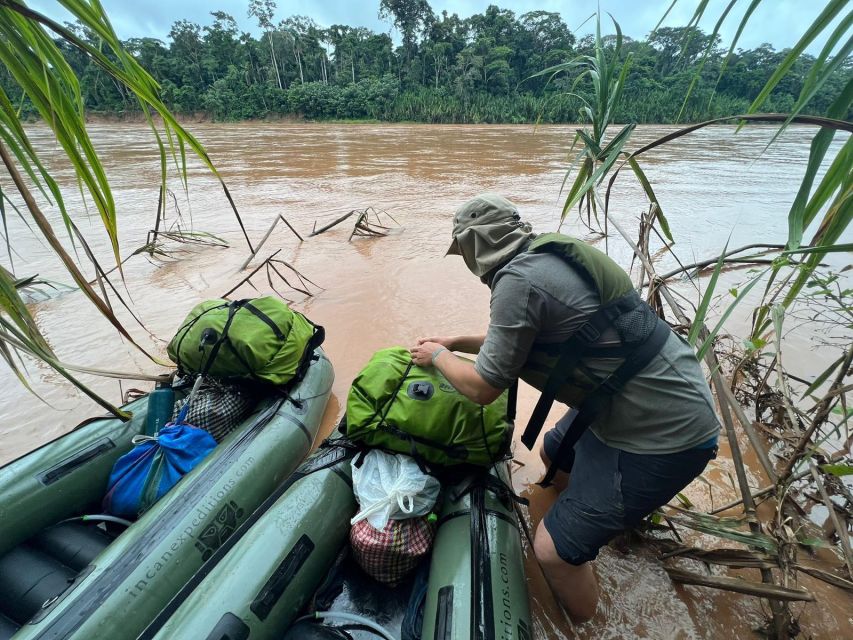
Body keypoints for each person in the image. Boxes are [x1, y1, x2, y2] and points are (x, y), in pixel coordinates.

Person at [410, 193, 720, 624]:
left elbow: (483, 387)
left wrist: (436, 358)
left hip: (663, 434)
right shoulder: (543, 261)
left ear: (474, 246)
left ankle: (585, 621)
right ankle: (589, 530)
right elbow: (521, 339)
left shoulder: (518, 281)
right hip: (649, 397)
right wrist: (455, 343)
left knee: (551, 553)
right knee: (553, 455)